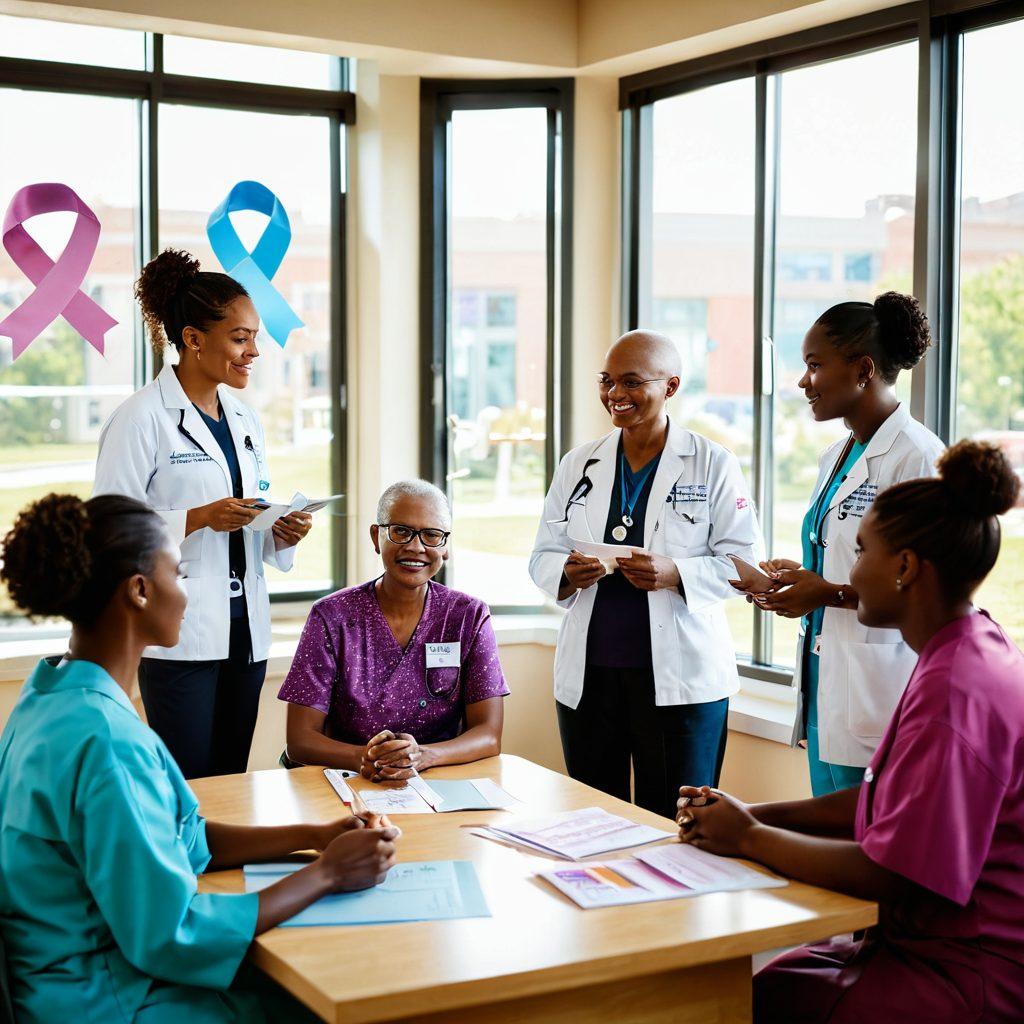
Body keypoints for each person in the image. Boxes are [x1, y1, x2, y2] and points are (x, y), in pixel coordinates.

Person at [0, 493, 398, 1024]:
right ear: (140, 591)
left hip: (77, 978)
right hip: (103, 1000)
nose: (186, 593)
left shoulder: (51, 696)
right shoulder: (107, 742)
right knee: (332, 1001)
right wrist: (327, 874)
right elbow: (173, 935)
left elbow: (177, 837)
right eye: (179, 572)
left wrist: (316, 835)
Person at [677, 440, 1024, 1023]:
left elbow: (898, 873)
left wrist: (748, 838)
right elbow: (888, 802)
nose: (850, 571)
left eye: (861, 551)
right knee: (773, 979)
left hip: (970, 971)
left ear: (905, 567)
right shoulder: (965, 647)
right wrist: (754, 813)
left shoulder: (954, 692)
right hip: (925, 944)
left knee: (744, 1003)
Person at [93, 249, 312, 779]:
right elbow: (106, 530)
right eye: (240, 338)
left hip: (246, 632)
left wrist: (281, 531)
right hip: (181, 635)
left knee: (232, 782)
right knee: (188, 784)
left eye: (254, 338)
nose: (253, 351)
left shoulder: (244, 418)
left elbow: (245, 517)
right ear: (193, 339)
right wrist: (197, 518)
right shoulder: (140, 419)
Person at [529, 330, 764, 820]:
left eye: (632, 382)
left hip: (682, 683)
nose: (615, 394)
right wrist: (568, 571)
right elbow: (543, 554)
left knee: (677, 821)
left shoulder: (711, 462)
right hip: (591, 680)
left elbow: (745, 562)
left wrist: (675, 572)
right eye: (607, 381)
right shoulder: (579, 463)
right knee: (594, 820)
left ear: (670, 386)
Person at [738, 293, 943, 795]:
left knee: (867, 829)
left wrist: (826, 593)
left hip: (879, 685)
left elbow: (929, 590)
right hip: (825, 676)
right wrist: (796, 580)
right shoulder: (836, 454)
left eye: (814, 366)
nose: (803, 381)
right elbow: (844, 556)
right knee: (828, 825)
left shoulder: (917, 458)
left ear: (863, 370)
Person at [279, 480, 508, 779]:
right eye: (401, 531)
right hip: (348, 777)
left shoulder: (468, 616)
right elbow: (300, 741)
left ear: (445, 546)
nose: (416, 547)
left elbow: (489, 735)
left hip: (437, 778)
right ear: (377, 537)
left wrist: (424, 756)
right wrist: (364, 757)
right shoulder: (332, 616)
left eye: (431, 535)